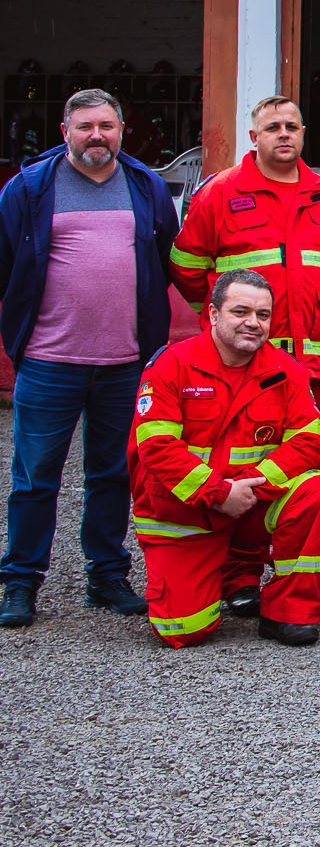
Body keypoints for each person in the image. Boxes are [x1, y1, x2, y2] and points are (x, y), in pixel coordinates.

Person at [0, 88, 177, 628]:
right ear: (65, 132)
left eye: (106, 125)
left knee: (112, 474)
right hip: (50, 360)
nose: (96, 135)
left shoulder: (146, 185)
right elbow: (7, 263)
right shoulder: (30, 187)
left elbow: (167, 257)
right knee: (35, 477)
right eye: (84, 127)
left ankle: (106, 576)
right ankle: (20, 582)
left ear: (123, 130)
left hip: (126, 362)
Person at [126, 270, 320, 647]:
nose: (253, 323)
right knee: (184, 631)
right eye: (240, 312)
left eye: (263, 314)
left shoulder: (286, 370)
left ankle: (286, 611)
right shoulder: (172, 365)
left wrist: (252, 486)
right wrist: (220, 492)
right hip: (186, 512)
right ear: (213, 314)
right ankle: (229, 570)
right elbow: (156, 447)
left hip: (251, 501)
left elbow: (308, 440)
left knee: (314, 492)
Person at [170, 96, 320, 419]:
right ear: (254, 137)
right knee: (244, 459)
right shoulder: (221, 193)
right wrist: (222, 313)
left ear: (303, 133)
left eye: (291, 127)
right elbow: (186, 268)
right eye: (273, 128)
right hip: (243, 361)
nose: (284, 134)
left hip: (316, 367)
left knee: (308, 463)